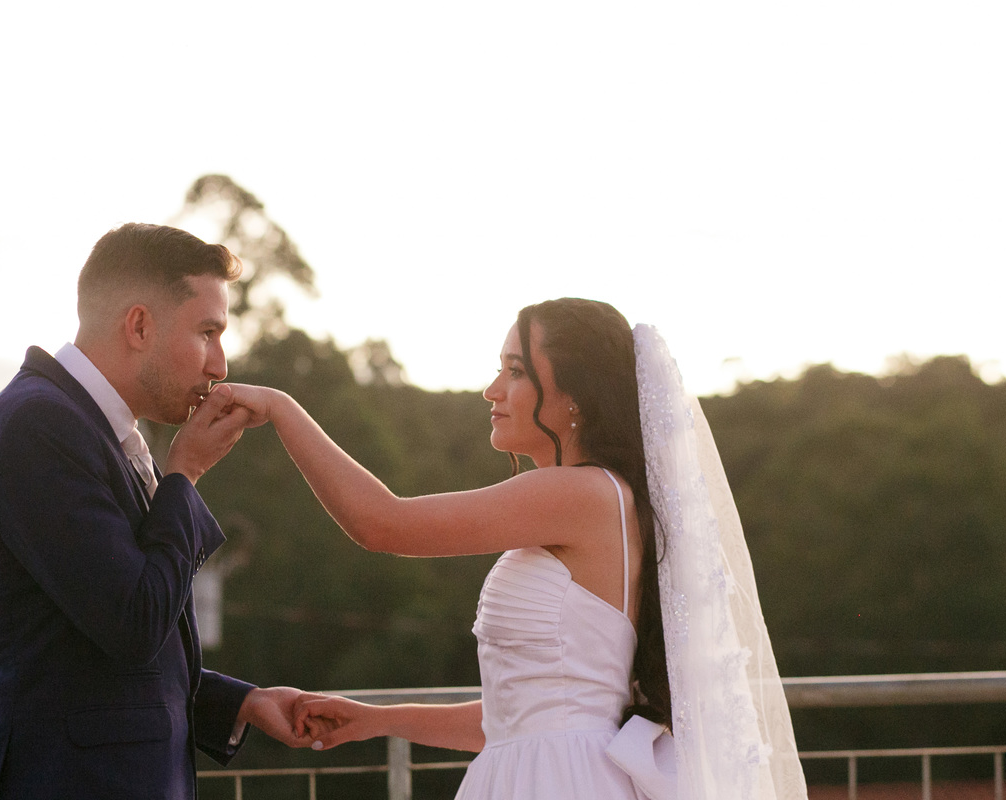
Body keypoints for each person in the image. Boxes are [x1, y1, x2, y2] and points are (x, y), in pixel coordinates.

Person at [224, 298, 809, 799]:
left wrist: (281, 408)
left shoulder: (582, 492)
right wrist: (373, 719)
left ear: (576, 394)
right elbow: (522, 719)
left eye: (516, 370)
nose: (492, 390)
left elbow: (383, 524)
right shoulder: (595, 498)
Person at [0, 223, 318, 800]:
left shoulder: (98, 429)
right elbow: (133, 622)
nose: (220, 365)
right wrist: (185, 474)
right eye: (207, 332)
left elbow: (101, 656)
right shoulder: (35, 424)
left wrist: (243, 702)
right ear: (140, 325)